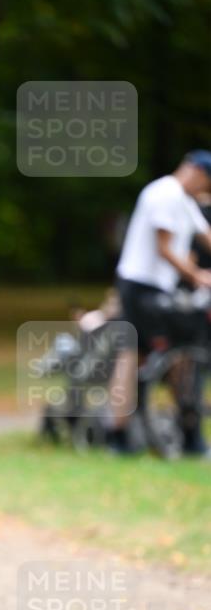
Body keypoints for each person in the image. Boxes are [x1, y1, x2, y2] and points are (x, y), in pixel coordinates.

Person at [108, 150, 211, 454]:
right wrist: (197, 275)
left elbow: (206, 236)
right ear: (197, 172)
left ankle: (122, 436)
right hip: (142, 288)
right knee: (177, 353)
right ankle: (186, 433)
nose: (205, 190)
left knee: (135, 358)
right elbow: (163, 249)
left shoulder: (183, 200)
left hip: (147, 288)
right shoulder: (165, 194)